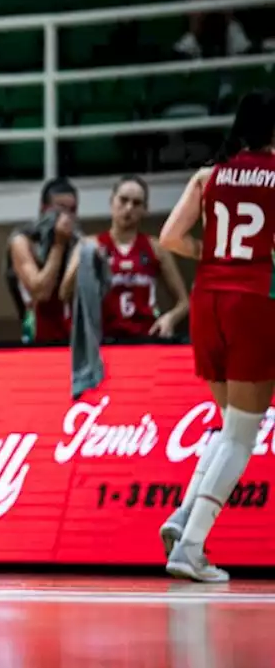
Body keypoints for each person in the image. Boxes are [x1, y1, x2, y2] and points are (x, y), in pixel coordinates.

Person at [157, 89, 275, 582]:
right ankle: (192, 546)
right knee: (243, 433)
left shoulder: (209, 175)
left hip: (208, 297)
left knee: (229, 425)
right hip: (252, 300)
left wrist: (219, 255)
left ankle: (183, 516)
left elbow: (169, 237)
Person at [60, 175, 190, 340]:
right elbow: (64, 293)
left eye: (136, 203)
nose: (129, 208)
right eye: (123, 200)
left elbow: (184, 302)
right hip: (102, 340)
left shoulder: (156, 248)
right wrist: (86, 260)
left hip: (145, 338)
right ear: (112, 201)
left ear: (145, 209)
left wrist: (170, 319)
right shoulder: (89, 244)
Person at [7, 178, 78, 344]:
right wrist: (58, 245)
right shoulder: (22, 241)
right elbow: (40, 292)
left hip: (70, 335)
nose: (66, 217)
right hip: (37, 333)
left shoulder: (77, 243)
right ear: (44, 209)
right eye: (60, 209)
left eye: (72, 210)